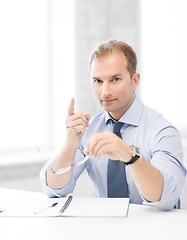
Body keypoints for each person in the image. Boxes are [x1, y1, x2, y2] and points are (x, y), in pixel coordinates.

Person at [40, 40, 186, 210]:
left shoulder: (162, 131)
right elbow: (54, 189)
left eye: (115, 79)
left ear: (135, 80)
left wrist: (130, 155)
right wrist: (70, 145)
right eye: (98, 81)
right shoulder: (88, 129)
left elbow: (165, 198)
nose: (105, 92)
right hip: (108, 230)